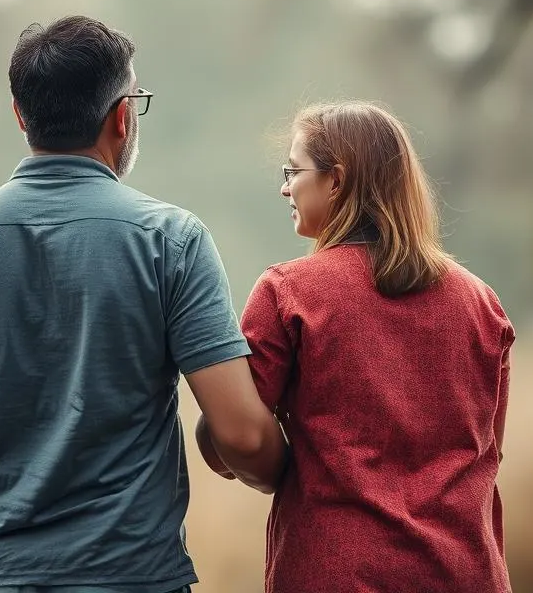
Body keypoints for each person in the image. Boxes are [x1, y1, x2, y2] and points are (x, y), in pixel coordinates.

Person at [0, 15, 288, 593]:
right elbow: (246, 437)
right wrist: (301, 474)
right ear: (122, 118)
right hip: (133, 578)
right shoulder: (170, 241)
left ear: (20, 115)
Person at [198, 101, 514, 593]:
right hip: (467, 573)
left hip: (339, 575)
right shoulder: (482, 302)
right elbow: (488, 447)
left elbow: (232, 436)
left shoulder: (290, 291)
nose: (285, 186)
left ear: (337, 180)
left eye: (293, 170)